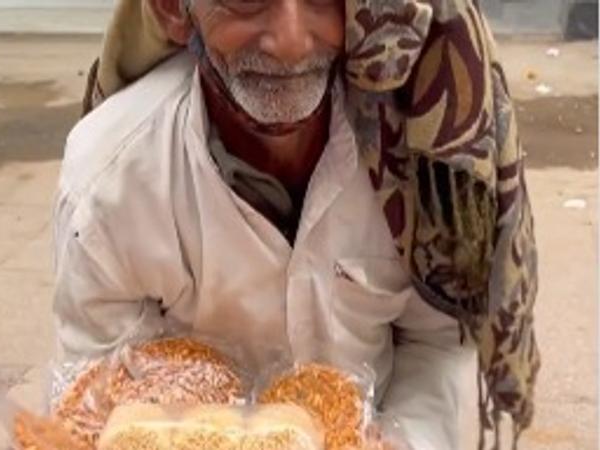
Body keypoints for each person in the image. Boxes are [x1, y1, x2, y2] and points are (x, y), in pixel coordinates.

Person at [53, 1, 540, 448]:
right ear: (172, 9)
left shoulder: (420, 161)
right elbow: (99, 399)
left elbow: (435, 342)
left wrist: (401, 441)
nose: (290, 41)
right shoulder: (112, 181)